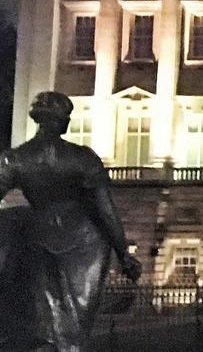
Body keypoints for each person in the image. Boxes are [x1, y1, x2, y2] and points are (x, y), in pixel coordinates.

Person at [0, 91, 144, 352]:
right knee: (73, 323)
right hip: (84, 245)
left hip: (38, 237)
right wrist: (124, 255)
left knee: (39, 317)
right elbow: (106, 211)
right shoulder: (84, 158)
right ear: (63, 122)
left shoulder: (15, 159)